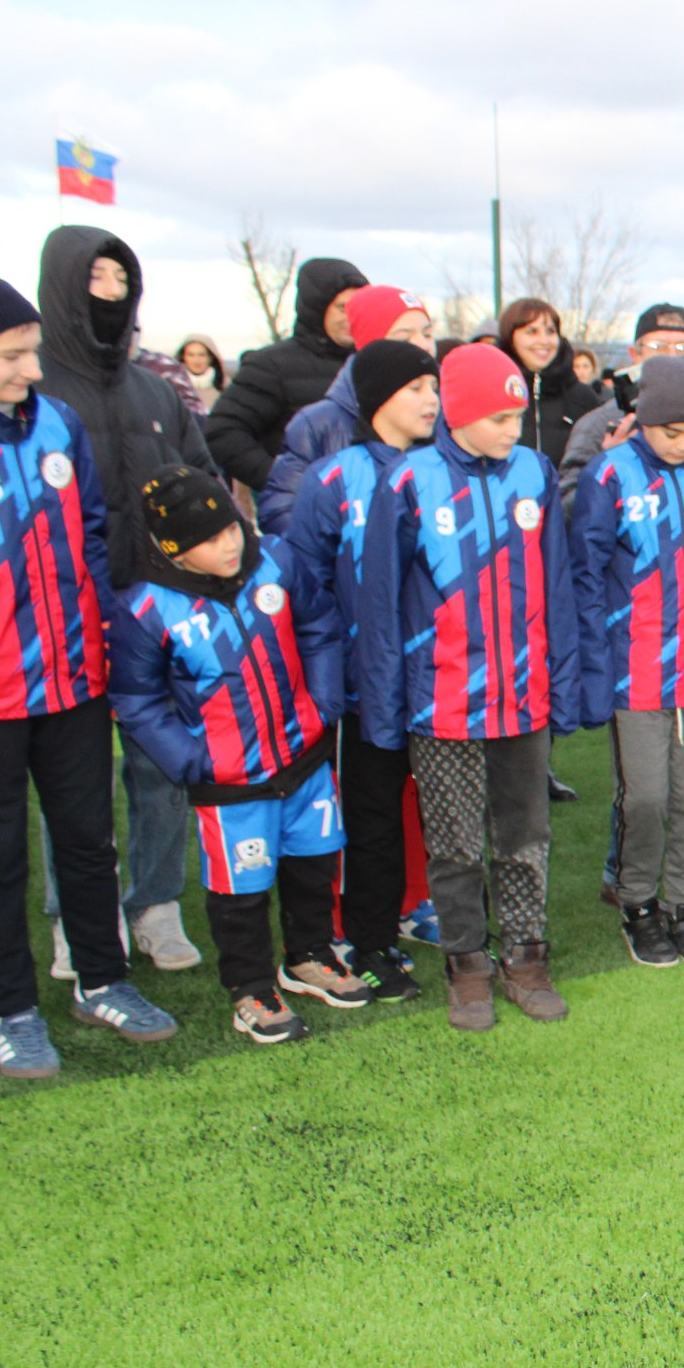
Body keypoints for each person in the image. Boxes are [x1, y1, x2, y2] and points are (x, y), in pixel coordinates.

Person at [0, 273, 178, 1077]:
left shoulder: (56, 424)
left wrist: (99, 640)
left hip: (72, 685)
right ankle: (15, 1008)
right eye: (12, 355)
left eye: (33, 352)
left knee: (90, 843)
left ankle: (103, 981)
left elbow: (92, 535)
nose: (32, 369)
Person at [357, 342, 587, 1031]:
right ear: (457, 414)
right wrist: (385, 708)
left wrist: (561, 685)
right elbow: (381, 604)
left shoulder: (534, 473)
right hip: (443, 704)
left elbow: (556, 583)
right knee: (455, 846)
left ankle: (526, 958)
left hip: (522, 698)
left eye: (518, 417)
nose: (513, 430)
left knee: (525, 838)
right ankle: (467, 967)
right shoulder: (408, 481)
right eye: (499, 419)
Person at [108, 468, 371, 1043]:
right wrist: (190, 760)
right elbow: (135, 699)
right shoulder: (146, 607)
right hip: (230, 782)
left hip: (304, 758)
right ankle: (250, 987)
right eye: (209, 539)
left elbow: (320, 627)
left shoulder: (276, 560)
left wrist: (323, 703)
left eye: (230, 527)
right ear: (173, 550)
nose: (229, 544)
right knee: (240, 891)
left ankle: (309, 956)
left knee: (314, 863)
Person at [35, 225, 226, 976]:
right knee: (72, 781)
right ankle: (77, 918)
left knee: (159, 768)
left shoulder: (156, 389)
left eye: (121, 279)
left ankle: (155, 904)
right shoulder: (35, 393)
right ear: (62, 286)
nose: (110, 294)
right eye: (96, 279)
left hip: (158, 615)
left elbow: (204, 481)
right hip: (64, 618)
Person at [282, 340, 442, 1003]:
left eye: (435, 387)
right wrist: (332, 677)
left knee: (447, 814)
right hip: (363, 687)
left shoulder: (445, 468)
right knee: (371, 818)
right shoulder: (333, 479)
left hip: (440, 683)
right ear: (377, 398)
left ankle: (459, 928)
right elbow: (304, 586)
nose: (432, 400)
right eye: (416, 388)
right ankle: (369, 941)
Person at [574, 355, 684, 968]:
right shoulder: (608, 473)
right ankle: (637, 905)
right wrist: (593, 668)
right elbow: (585, 576)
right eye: (671, 432)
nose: (683, 444)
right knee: (644, 800)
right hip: (633, 671)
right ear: (641, 418)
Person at [257, 285, 433, 533]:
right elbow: (281, 510)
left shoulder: (444, 415)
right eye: (404, 337)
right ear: (368, 346)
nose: (423, 346)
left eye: (428, 334)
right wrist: (343, 548)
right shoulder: (317, 423)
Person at [204, 256, 368, 492]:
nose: (351, 317)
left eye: (359, 307)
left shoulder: (371, 361)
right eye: (342, 308)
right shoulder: (271, 365)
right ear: (317, 307)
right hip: (302, 507)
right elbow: (223, 432)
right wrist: (282, 481)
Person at [560, 304, 684, 501]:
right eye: (658, 347)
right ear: (634, 354)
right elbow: (569, 505)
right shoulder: (598, 425)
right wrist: (607, 467)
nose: (672, 357)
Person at [500, 297, 606, 470]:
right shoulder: (496, 392)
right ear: (510, 337)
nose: (544, 341)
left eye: (550, 331)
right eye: (532, 331)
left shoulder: (582, 396)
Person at [175, 334, 229, 411]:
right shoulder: (173, 389)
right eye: (191, 355)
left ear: (210, 358)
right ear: (183, 358)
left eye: (202, 355)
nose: (197, 360)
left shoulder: (226, 388)